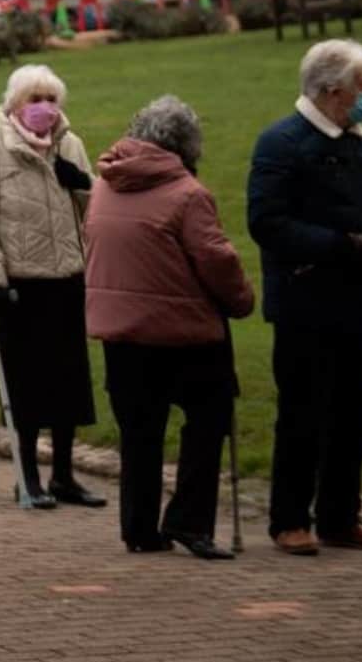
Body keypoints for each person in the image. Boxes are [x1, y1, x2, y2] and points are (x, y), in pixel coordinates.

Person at [85, 97, 257, 559]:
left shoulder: (105, 183)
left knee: (139, 434)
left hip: (121, 335)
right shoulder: (188, 194)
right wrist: (242, 301)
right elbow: (217, 260)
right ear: (186, 145)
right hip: (184, 334)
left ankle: (139, 529)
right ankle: (189, 521)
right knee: (209, 419)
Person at [248, 39, 362, 554]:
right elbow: (266, 222)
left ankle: (339, 517)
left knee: (354, 418)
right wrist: (340, 245)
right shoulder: (281, 144)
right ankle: (289, 519)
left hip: (355, 302)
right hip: (305, 302)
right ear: (333, 91)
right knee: (303, 415)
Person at [0, 64, 104, 509]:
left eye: (51, 100)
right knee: (26, 387)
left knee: (69, 383)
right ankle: (28, 477)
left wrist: (86, 185)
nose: (45, 109)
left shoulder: (69, 144)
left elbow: (94, 212)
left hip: (68, 279)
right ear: (15, 105)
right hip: (19, 286)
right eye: (34, 100)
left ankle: (63, 475)